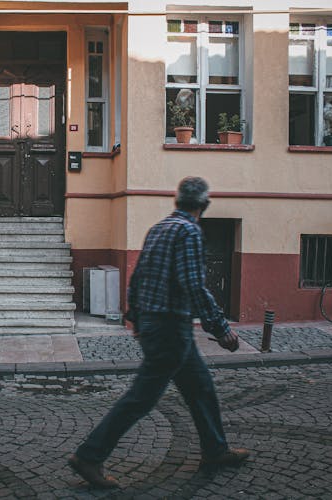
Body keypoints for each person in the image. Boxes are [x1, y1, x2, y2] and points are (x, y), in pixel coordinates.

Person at [68, 176, 249, 489]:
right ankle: (90, 455)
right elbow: (194, 285)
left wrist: (136, 318)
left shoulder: (159, 228)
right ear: (203, 206)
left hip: (158, 324)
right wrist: (221, 329)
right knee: (142, 396)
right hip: (171, 327)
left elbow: (137, 277)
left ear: (177, 201)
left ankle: (215, 449)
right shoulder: (189, 231)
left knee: (201, 386)